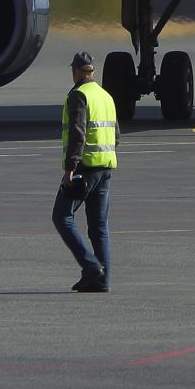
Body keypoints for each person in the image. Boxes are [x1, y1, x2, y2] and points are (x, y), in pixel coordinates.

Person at [52, 51, 118, 293]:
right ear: (94, 71)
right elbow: (116, 135)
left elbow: (77, 134)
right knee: (99, 226)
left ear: (78, 71)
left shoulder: (79, 96)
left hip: (85, 168)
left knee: (61, 217)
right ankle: (103, 279)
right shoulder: (106, 96)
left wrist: (70, 168)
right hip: (106, 167)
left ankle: (91, 268)